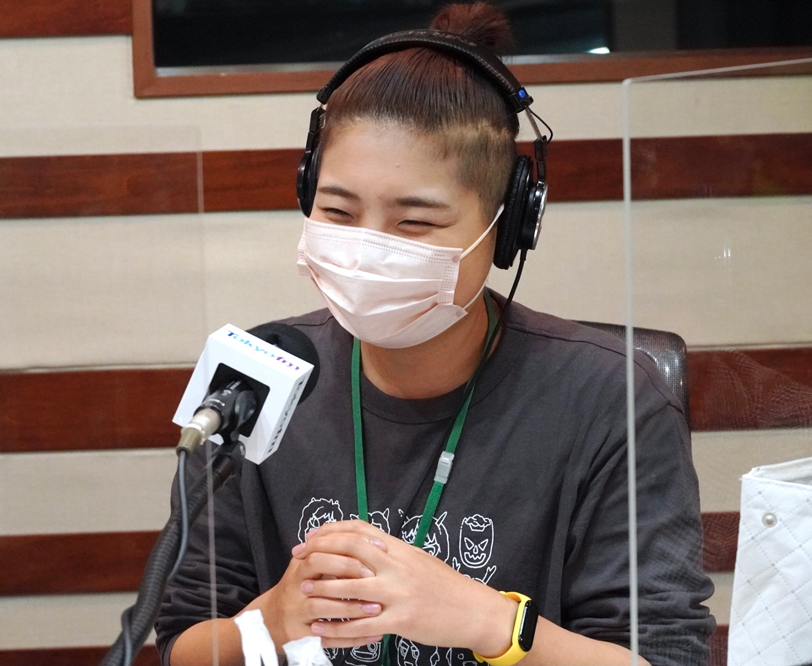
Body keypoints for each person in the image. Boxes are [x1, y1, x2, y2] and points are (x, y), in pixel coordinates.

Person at [156, 4, 715, 665]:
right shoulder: (256, 380)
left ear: (505, 229)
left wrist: (489, 623)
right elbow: (181, 645)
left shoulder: (608, 398)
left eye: (414, 224)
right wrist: (272, 620)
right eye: (338, 211)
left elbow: (667, 656)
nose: (367, 250)